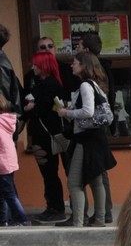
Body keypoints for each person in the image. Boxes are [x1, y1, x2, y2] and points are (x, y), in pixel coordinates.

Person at [56, 51, 117, 228]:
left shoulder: (85, 85)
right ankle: (98, 219)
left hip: (86, 139)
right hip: (97, 138)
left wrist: (67, 112)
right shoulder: (97, 85)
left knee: (74, 182)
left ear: (84, 65)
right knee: (96, 180)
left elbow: (88, 111)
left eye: (75, 62)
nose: (71, 65)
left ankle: (78, 222)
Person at [23, 50, 68, 224]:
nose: (32, 67)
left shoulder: (49, 85)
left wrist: (31, 107)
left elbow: (36, 109)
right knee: (48, 173)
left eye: (35, 64)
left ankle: (56, 208)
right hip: (42, 135)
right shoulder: (43, 84)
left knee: (49, 173)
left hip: (45, 137)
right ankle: (52, 206)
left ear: (43, 66)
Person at [76, 32, 114, 224]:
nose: (76, 50)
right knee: (98, 173)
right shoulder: (99, 73)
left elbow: (89, 110)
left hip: (94, 130)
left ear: (87, 52)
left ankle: (102, 212)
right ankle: (101, 212)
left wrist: (69, 113)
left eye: (79, 47)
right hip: (97, 129)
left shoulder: (92, 77)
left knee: (98, 173)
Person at [0, 92, 30, 227]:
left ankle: (22, 218)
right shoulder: (7, 120)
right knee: (6, 192)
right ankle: (4, 219)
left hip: (2, 162)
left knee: (9, 193)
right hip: (9, 160)